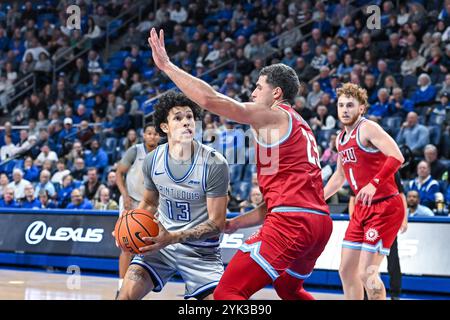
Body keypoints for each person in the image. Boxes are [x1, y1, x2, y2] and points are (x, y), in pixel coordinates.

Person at [148, 28, 332, 300]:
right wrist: (236, 224)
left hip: (292, 222)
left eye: (259, 87)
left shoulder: (272, 114)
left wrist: (167, 66)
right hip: (319, 223)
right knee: (288, 288)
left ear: (277, 93)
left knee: (228, 294)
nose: (253, 91)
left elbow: (211, 100)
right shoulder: (299, 128)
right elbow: (274, 202)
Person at [116, 91, 229, 300]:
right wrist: (125, 228)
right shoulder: (152, 160)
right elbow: (150, 202)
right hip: (160, 248)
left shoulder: (215, 163)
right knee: (124, 297)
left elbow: (217, 223)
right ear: (164, 127)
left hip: (200, 253)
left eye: (189, 117)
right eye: (178, 118)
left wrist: (172, 238)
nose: (186, 122)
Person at [323, 83, 405, 300]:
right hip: (362, 209)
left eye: (350, 105)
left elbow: (397, 156)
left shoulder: (368, 128)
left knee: (366, 273)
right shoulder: (340, 138)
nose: (345, 109)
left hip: (385, 206)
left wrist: (374, 182)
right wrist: (318, 199)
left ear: (361, 108)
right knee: (346, 271)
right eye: (341, 105)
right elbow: (340, 177)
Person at [115, 123, 160, 295]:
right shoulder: (135, 151)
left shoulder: (162, 153)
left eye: (155, 134)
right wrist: (125, 195)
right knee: (126, 245)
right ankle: (121, 286)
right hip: (131, 201)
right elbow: (119, 173)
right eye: (149, 133)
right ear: (144, 135)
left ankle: (138, 286)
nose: (152, 137)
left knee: (146, 246)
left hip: (152, 204)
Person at [348, 172, 408, 300]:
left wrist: (404, 219)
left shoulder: (390, 167)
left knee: (391, 261)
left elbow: (401, 194)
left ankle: (395, 293)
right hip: (365, 220)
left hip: (385, 219)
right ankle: (365, 294)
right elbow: (353, 198)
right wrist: (354, 220)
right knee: (365, 267)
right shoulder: (357, 166)